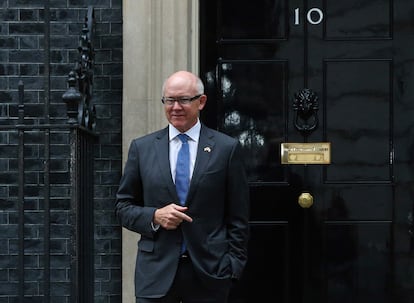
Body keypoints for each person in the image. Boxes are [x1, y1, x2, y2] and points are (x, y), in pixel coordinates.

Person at [115, 70, 250, 303]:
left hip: (210, 272)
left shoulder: (226, 149)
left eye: (184, 100)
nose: (175, 107)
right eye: (169, 100)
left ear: (201, 102)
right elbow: (122, 207)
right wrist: (155, 216)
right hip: (155, 273)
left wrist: (232, 266)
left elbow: (239, 216)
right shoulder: (142, 148)